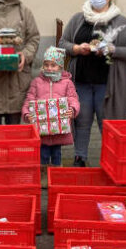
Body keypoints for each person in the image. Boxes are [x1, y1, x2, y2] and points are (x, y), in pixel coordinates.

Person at [58, 0, 126, 167]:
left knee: (107, 122)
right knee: (82, 120)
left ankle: (111, 158)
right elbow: (63, 43)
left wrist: (112, 49)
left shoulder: (121, 22)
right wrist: (77, 48)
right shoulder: (78, 19)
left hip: (108, 83)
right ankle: (80, 157)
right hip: (82, 81)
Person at [22, 47, 80, 185]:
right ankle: (42, 178)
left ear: (60, 66)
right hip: (42, 131)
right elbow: (29, 100)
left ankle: (55, 177)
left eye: (53, 65)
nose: (49, 68)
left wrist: (72, 109)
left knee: (56, 154)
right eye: (46, 65)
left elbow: (73, 99)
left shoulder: (67, 83)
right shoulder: (37, 82)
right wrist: (27, 113)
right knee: (42, 154)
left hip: (59, 131)